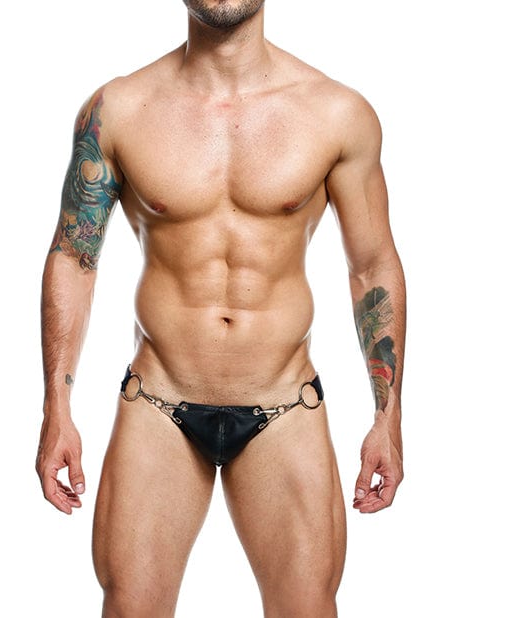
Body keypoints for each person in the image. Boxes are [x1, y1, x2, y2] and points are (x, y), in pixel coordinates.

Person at [36, 1, 405, 615]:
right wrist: (57, 407)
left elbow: (372, 265)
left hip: (283, 404)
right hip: (159, 402)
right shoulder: (119, 109)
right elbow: (74, 257)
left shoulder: (336, 114)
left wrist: (387, 418)